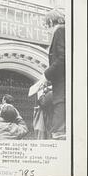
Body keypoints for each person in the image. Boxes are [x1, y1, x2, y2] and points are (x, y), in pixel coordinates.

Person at [38, 8, 66, 140]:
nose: (46, 30)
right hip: (61, 82)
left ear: (50, 21)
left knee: (59, 134)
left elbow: (62, 58)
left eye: (45, 25)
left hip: (63, 85)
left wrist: (46, 76)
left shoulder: (60, 30)